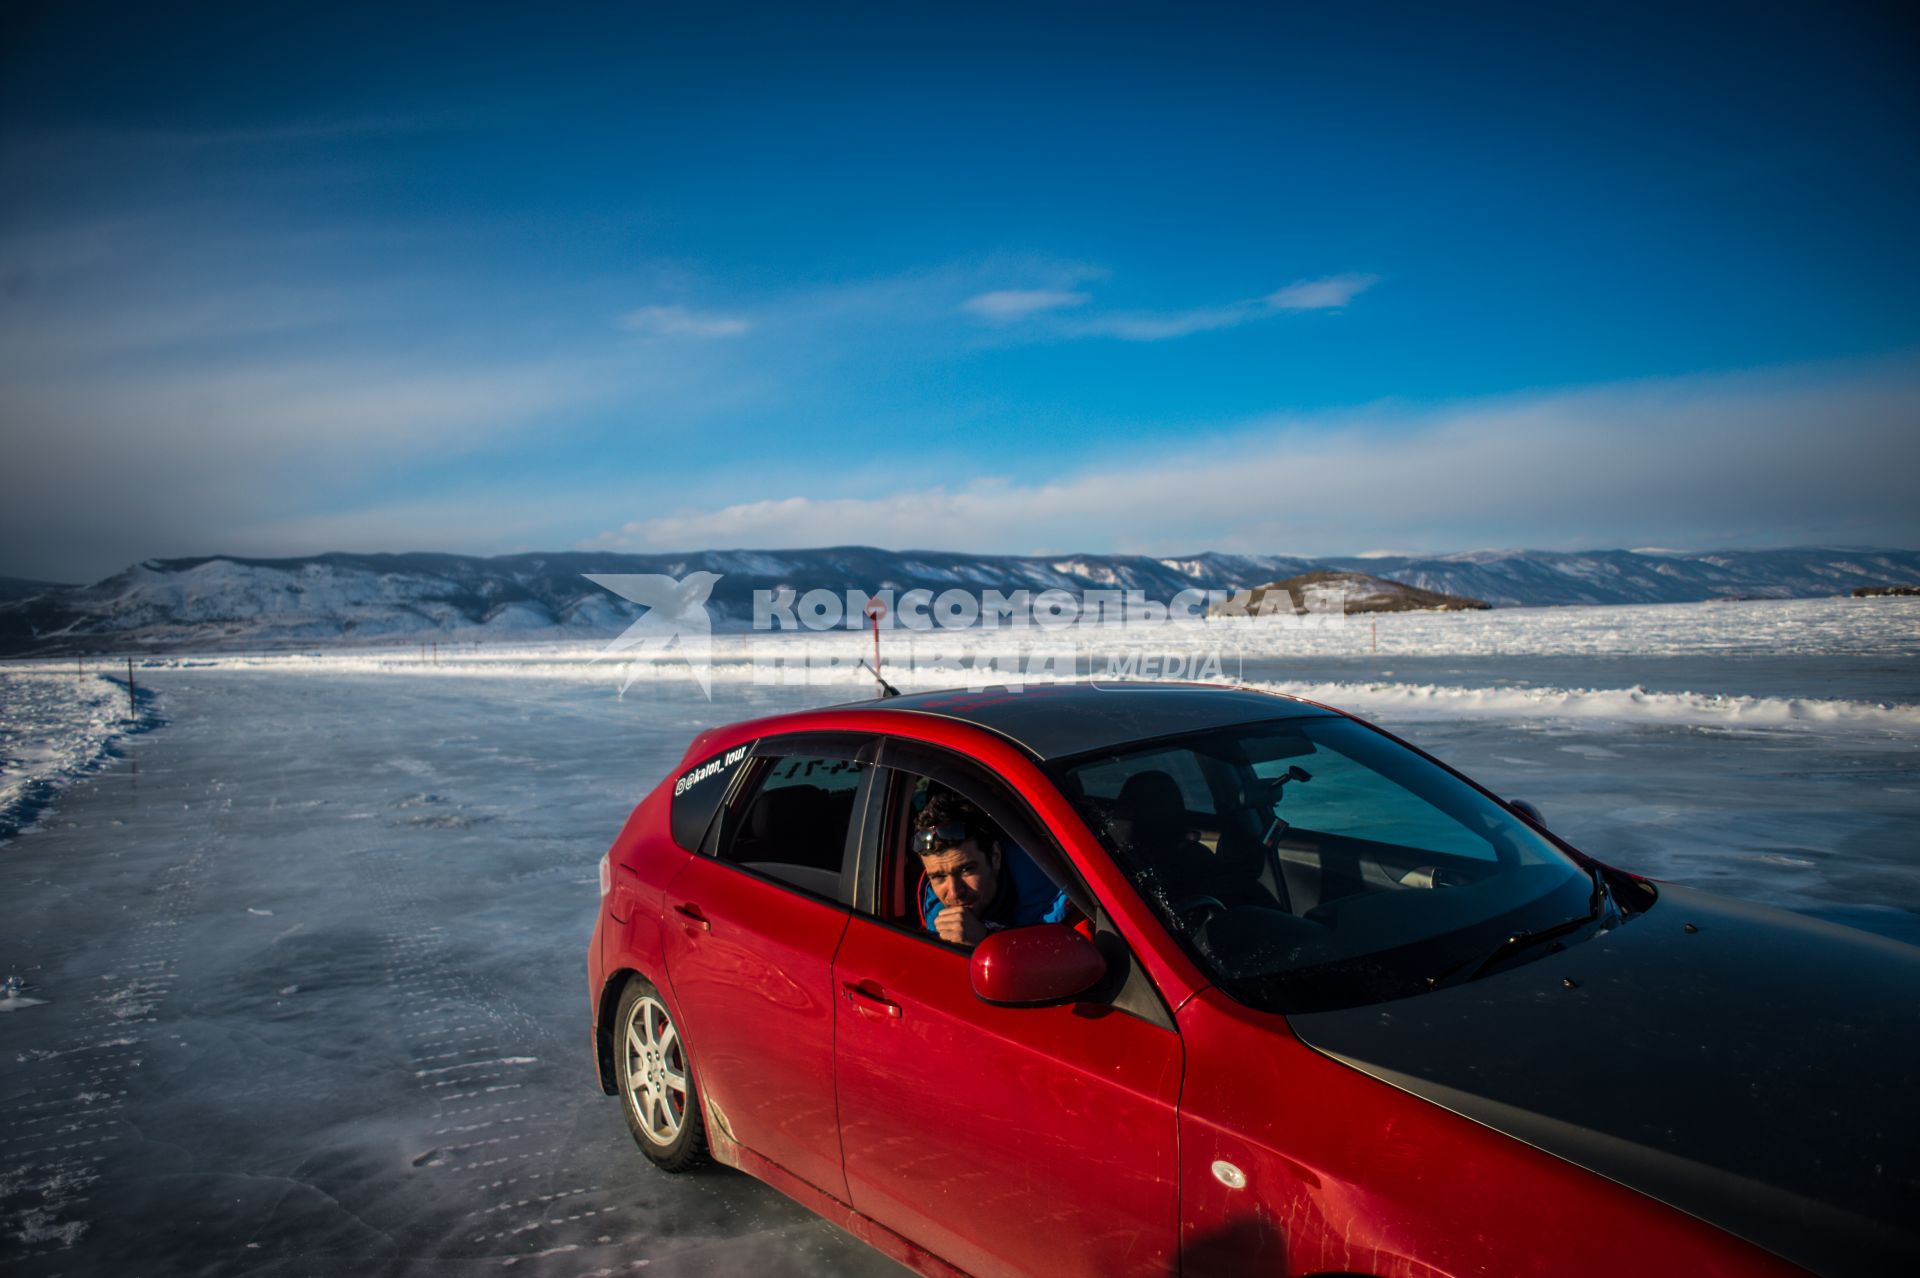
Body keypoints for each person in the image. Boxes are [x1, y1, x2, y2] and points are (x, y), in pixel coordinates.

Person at [913, 791, 1075, 945]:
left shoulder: (1068, 906)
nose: (955, 892)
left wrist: (988, 942)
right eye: (939, 877)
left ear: (995, 857)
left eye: (966, 870)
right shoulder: (931, 919)